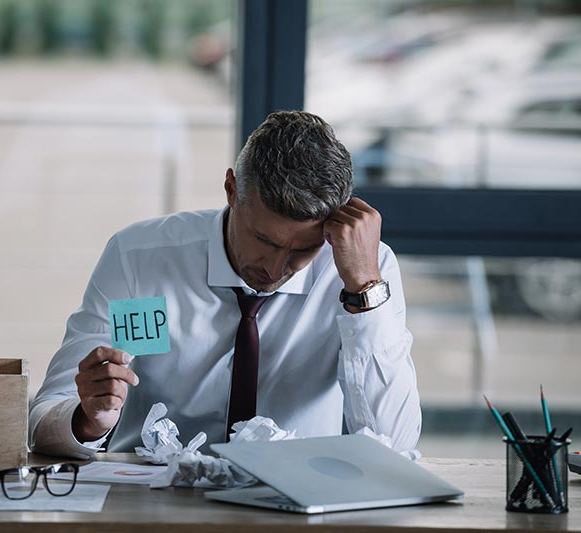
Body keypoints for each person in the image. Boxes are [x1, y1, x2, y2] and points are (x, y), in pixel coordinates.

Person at [29, 110, 421, 458]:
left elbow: (395, 443)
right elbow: (46, 417)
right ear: (232, 190)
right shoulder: (144, 260)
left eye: (303, 250)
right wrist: (89, 420)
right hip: (155, 500)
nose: (275, 268)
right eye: (264, 241)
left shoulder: (362, 270)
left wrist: (364, 291)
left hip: (299, 507)